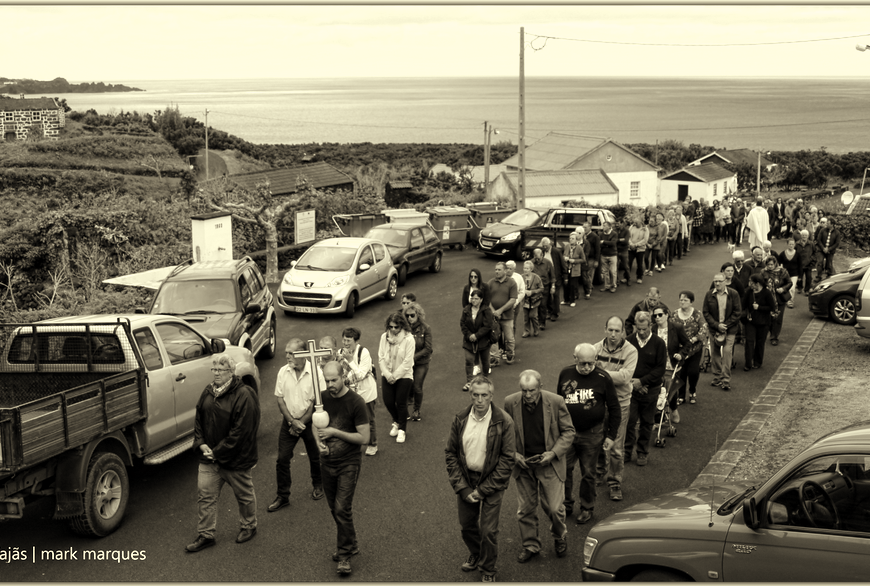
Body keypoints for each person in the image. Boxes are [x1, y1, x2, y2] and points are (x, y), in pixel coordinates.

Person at [186, 354, 260, 553]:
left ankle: (249, 526)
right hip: (209, 457)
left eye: (221, 370)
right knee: (205, 496)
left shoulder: (244, 394)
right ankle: (206, 534)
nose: (216, 373)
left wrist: (217, 452)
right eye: (214, 369)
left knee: (244, 496)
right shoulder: (208, 391)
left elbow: (241, 432)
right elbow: (199, 419)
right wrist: (200, 444)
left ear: (231, 372)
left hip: (235, 459)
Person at [446, 375, 516, 583]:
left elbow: (507, 460)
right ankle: (477, 553)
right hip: (467, 480)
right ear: (470, 395)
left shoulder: (504, 421)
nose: (479, 400)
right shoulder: (460, 419)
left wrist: (483, 489)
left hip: (493, 482)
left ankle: (488, 568)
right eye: (475, 395)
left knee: (488, 530)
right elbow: (451, 453)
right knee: (467, 526)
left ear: (491, 396)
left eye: (484, 395)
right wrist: (463, 488)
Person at [503, 370, 575, 563]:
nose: (527, 395)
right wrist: (514, 454)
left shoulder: (556, 401)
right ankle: (530, 545)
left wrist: (552, 454)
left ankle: (559, 536)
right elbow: (505, 434)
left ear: (541, 387)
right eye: (524, 390)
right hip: (524, 465)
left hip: (549, 463)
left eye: (532, 391)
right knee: (525, 509)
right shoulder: (510, 402)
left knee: (554, 508)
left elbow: (569, 432)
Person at [557, 343, 621, 526]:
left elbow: (615, 408)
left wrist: (611, 436)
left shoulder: (603, 377)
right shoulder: (565, 374)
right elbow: (559, 402)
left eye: (590, 363)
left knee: (588, 473)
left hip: (592, 434)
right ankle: (566, 503)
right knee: (564, 471)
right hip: (568, 434)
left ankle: (587, 508)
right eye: (583, 363)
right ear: (575, 358)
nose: (586, 368)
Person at [318, 361, 370, 576]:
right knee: (335, 509)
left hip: (349, 463)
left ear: (343, 376)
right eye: (327, 380)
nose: (330, 384)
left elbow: (364, 438)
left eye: (334, 380)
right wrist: (319, 443)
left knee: (341, 509)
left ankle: (345, 555)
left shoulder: (356, 402)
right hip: (326, 463)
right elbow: (315, 425)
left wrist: (334, 433)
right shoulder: (322, 398)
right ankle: (351, 543)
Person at [269, 339, 326, 514]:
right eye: (286, 352)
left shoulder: (316, 373)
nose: (287, 356)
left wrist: (302, 422)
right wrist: (292, 422)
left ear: (302, 353)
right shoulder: (283, 371)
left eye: (291, 353)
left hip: (310, 424)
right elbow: (279, 398)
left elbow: (318, 401)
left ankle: (318, 485)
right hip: (289, 422)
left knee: (315, 457)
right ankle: (283, 496)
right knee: (282, 460)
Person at [592, 316, 638, 502]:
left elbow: (625, 377)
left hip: (620, 403)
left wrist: (598, 372)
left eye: (617, 331)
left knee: (617, 447)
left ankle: (615, 482)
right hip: (599, 403)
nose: (613, 334)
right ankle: (599, 472)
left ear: (623, 332)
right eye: (610, 330)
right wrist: (610, 375)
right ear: (605, 329)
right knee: (598, 440)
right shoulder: (595, 348)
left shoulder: (631, 351)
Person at [624, 312, 666, 467]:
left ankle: (642, 452)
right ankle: (626, 451)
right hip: (631, 389)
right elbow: (623, 366)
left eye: (644, 329)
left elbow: (660, 369)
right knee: (629, 421)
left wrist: (642, 382)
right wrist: (633, 383)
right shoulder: (628, 341)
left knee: (647, 423)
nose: (641, 332)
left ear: (650, 326)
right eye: (638, 329)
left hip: (651, 389)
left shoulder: (659, 343)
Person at [340, 327, 379, 456]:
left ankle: (372, 444)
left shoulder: (363, 352)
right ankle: (353, 443)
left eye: (348, 341)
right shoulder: (340, 352)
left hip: (366, 392)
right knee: (349, 420)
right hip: (350, 393)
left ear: (356, 341)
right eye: (344, 340)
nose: (345, 343)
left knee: (368, 420)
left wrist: (350, 361)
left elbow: (361, 375)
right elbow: (340, 373)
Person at [378, 312, 415, 444]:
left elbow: (408, 362)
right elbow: (381, 357)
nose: (393, 330)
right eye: (391, 327)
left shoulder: (409, 339)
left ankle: (402, 430)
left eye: (396, 327)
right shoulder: (384, 337)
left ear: (402, 326)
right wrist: (388, 375)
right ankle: (397, 421)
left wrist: (395, 376)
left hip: (404, 375)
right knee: (388, 401)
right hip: (387, 374)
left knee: (401, 402)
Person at [702, 272, 742, 391]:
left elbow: (737, 312)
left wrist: (725, 325)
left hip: (729, 329)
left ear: (725, 281)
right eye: (715, 281)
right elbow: (706, 312)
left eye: (720, 281)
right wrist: (716, 325)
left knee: (727, 352)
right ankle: (717, 376)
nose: (717, 283)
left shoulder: (733, 294)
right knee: (714, 353)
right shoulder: (709, 294)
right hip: (714, 329)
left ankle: (725, 379)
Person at [651, 307, 689, 424]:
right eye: (655, 316)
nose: (657, 317)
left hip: (672, 365)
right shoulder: (653, 329)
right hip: (657, 365)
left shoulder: (676, 328)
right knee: (657, 390)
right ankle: (658, 415)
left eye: (660, 314)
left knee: (669, 391)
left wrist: (681, 354)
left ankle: (674, 410)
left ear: (667, 315)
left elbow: (687, 344)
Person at [669, 291, 708, 405]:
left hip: (694, 348)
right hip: (680, 350)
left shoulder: (697, 314)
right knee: (681, 373)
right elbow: (670, 328)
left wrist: (694, 339)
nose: (683, 302)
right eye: (681, 300)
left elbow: (704, 329)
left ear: (691, 302)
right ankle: (681, 396)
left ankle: (692, 391)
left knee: (693, 371)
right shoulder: (675, 314)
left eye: (685, 300)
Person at [403, 301, 432, 422]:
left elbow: (428, 348)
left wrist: (413, 357)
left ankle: (416, 410)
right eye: (407, 315)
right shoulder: (404, 329)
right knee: (406, 385)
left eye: (412, 315)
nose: (409, 318)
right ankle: (407, 402)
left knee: (417, 387)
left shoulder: (426, 328)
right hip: (407, 363)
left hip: (421, 362)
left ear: (418, 315)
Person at [461, 288, 495, 389]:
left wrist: (477, 335)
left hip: (483, 341)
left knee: (485, 361)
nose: (474, 300)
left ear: (481, 299)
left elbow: (487, 326)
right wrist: (469, 335)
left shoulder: (486, 310)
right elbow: (462, 324)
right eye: (472, 298)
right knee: (469, 360)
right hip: (469, 341)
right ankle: (469, 382)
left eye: (476, 298)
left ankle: (485, 380)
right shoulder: (466, 310)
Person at [741, 274, 775, 371]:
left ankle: (757, 362)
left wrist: (759, 307)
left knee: (760, 343)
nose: (749, 284)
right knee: (749, 342)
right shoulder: (749, 292)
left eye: (751, 282)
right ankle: (748, 363)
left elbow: (772, 307)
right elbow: (743, 305)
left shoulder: (767, 293)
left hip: (764, 323)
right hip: (750, 321)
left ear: (757, 283)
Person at [488, 262, 518, 363]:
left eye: (499, 270)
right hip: (493, 317)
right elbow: (486, 299)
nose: (496, 271)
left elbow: (513, 299)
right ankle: (494, 358)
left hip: (507, 316)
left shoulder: (512, 283)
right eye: (496, 269)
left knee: (509, 338)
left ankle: (510, 354)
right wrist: (493, 311)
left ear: (505, 271)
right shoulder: (491, 283)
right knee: (493, 338)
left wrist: (500, 310)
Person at [760, 256, 791, 347]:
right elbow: (760, 283)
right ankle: (771, 332)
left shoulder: (783, 271)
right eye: (768, 264)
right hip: (768, 299)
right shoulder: (763, 272)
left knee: (778, 319)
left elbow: (789, 282)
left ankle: (774, 337)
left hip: (779, 299)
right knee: (769, 318)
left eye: (772, 264)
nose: (770, 266)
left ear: (775, 264)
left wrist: (783, 289)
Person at [531, 248, 555, 326]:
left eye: (538, 258)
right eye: (535, 257)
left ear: (542, 255)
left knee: (543, 305)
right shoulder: (531, 263)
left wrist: (553, 286)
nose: (537, 260)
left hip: (545, 287)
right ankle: (537, 320)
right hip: (534, 288)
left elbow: (552, 276)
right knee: (536, 305)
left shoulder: (548, 263)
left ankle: (542, 323)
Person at [541, 237, 564, 318]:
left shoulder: (556, 252)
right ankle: (550, 311)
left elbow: (562, 264)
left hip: (556, 276)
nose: (545, 248)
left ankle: (555, 313)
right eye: (543, 246)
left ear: (550, 244)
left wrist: (565, 277)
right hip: (546, 277)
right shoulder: (543, 252)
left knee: (555, 295)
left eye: (546, 246)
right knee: (547, 295)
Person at [521, 260, 544, 338]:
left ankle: (536, 329)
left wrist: (532, 292)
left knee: (533, 316)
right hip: (525, 301)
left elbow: (541, 288)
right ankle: (526, 331)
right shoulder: (521, 277)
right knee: (525, 318)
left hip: (534, 301)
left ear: (531, 269)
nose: (525, 270)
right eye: (524, 268)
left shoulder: (536, 277)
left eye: (527, 268)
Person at [505, 260, 526, 345]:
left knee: (512, 324)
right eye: (507, 268)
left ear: (514, 269)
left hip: (514, 305)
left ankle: (511, 343)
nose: (508, 270)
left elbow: (522, 292)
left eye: (510, 268)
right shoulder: (502, 277)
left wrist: (516, 302)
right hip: (503, 305)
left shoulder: (518, 277)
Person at [777, 237, 802, 308]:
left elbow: (800, 265)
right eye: (790, 244)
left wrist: (800, 276)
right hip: (785, 274)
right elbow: (778, 263)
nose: (791, 246)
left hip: (794, 274)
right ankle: (786, 300)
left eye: (792, 244)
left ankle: (791, 302)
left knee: (792, 288)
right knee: (786, 288)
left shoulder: (797, 254)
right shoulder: (782, 254)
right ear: (787, 244)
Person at [563, 231, 586, 306]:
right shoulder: (566, 246)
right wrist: (564, 258)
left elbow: (583, 259)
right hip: (567, 268)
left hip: (575, 269)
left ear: (576, 240)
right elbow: (563, 255)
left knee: (572, 285)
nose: (571, 240)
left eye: (573, 238)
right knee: (565, 284)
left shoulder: (579, 248)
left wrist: (574, 261)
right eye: (570, 238)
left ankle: (572, 301)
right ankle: (566, 300)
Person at [628, 215, 648, 284]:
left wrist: (636, 245)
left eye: (636, 222)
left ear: (641, 222)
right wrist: (631, 244)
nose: (635, 224)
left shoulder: (645, 229)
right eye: (634, 222)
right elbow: (629, 237)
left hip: (640, 250)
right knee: (628, 263)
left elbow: (645, 240)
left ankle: (639, 277)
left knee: (639, 264)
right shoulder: (631, 227)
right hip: (631, 248)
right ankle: (626, 277)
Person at [598, 222, 618, 292]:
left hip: (612, 255)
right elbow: (599, 244)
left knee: (613, 272)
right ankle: (607, 286)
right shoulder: (601, 234)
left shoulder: (614, 234)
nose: (603, 227)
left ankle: (613, 286)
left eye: (605, 226)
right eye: (603, 226)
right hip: (603, 255)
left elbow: (613, 243)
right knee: (605, 272)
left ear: (609, 227)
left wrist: (603, 242)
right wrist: (607, 244)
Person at [794, 229, 815, 295]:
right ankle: (800, 288)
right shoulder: (797, 244)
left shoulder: (811, 243)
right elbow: (794, 252)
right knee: (799, 277)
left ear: (808, 236)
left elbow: (814, 253)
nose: (804, 236)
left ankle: (807, 290)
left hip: (809, 264)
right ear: (801, 236)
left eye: (805, 235)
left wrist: (812, 260)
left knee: (808, 278)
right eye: (803, 235)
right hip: (800, 264)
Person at [584, 222, 601, 291]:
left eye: (585, 227)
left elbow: (597, 249)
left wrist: (596, 260)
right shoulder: (583, 235)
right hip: (585, 258)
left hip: (591, 258)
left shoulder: (595, 236)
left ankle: (589, 289)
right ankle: (589, 286)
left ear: (590, 227)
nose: (584, 228)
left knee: (589, 274)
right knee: (586, 274)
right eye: (583, 227)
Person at [615, 217, 632, 286]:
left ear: (622, 223)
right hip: (616, 250)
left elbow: (626, 241)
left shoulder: (626, 231)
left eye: (618, 223)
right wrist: (620, 240)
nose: (617, 225)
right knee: (616, 266)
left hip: (624, 250)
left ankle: (628, 279)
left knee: (626, 266)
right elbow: (613, 240)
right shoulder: (615, 230)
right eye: (616, 223)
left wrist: (618, 240)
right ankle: (617, 280)